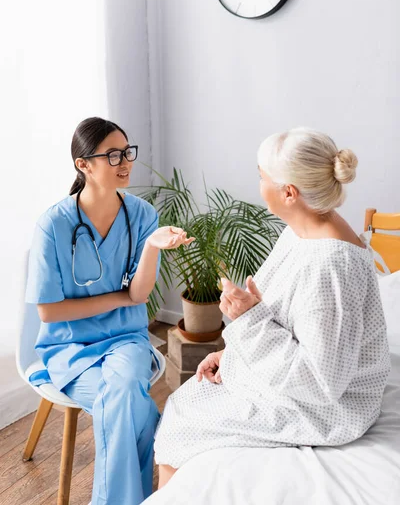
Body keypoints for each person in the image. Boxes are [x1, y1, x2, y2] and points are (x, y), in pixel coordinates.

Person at [153, 127, 390, 490]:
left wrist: (248, 319)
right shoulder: (299, 230)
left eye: (262, 177)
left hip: (329, 411)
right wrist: (233, 353)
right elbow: (279, 313)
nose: (259, 184)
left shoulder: (330, 265)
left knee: (183, 421)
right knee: (186, 402)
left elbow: (321, 383)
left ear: (289, 193)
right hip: (297, 384)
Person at [25, 117, 194, 505]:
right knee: (129, 405)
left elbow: (139, 293)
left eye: (127, 151)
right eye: (113, 154)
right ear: (83, 164)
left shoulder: (142, 216)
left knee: (119, 397)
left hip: (126, 341)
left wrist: (151, 247)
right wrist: (119, 300)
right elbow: (49, 312)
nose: (125, 162)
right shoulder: (54, 224)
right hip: (69, 347)